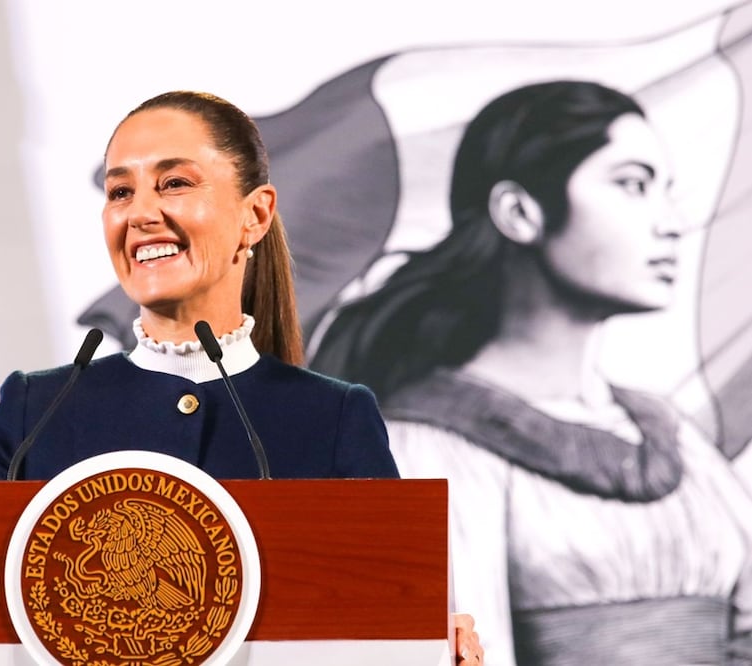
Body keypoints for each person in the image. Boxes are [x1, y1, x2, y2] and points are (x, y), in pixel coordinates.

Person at [0, 90, 483, 664]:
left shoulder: (332, 419)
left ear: (254, 215)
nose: (140, 213)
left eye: (175, 183)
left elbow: (388, 619)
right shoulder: (34, 413)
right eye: (120, 191)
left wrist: (431, 643)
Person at [311, 80, 752, 665]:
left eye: (665, 191)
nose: (670, 223)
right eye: (632, 185)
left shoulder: (677, 441)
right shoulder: (415, 450)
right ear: (519, 213)